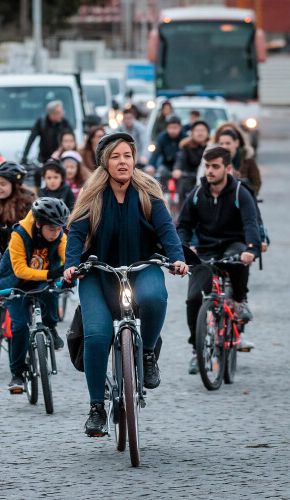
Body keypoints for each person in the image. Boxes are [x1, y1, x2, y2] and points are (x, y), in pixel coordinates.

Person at [62, 133, 187, 437]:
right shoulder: (92, 196)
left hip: (141, 266)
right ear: (105, 162)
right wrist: (71, 265)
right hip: (98, 272)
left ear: (134, 159)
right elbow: (76, 235)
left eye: (127, 155)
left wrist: (177, 259)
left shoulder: (148, 192)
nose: (122, 161)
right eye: (116, 156)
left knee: (155, 297)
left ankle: (147, 354)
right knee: (96, 335)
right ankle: (96, 408)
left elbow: (167, 229)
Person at [176, 146, 261, 374]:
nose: (210, 171)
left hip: (233, 244)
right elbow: (183, 225)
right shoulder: (196, 193)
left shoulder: (239, 192)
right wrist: (185, 247)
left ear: (228, 168)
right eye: (207, 166)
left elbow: (251, 223)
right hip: (205, 248)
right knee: (194, 299)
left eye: (215, 166)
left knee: (240, 258)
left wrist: (251, 249)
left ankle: (240, 301)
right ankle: (197, 349)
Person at [0, 197, 69, 390]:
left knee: (50, 292)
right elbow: (19, 270)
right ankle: (17, 373)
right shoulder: (19, 235)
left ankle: (51, 328)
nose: (56, 234)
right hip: (15, 283)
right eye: (51, 229)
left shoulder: (59, 234)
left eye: (59, 229)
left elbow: (67, 255)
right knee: (19, 326)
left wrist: (72, 273)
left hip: (42, 280)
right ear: (38, 224)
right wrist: (51, 273)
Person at [20, 100, 72, 167]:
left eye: (62, 112)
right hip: (44, 159)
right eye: (58, 113)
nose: (61, 115)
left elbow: (71, 138)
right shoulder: (42, 123)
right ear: (51, 114)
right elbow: (31, 140)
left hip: (61, 158)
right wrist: (24, 156)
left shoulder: (65, 123)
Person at [217, 128, 262, 195]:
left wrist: (250, 195)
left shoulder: (247, 158)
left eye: (228, 143)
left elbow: (256, 181)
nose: (224, 146)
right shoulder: (217, 159)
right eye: (222, 144)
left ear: (236, 143)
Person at [173, 120, 210, 200]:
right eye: (197, 131)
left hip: (206, 176)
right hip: (189, 177)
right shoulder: (186, 146)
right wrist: (177, 169)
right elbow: (181, 158)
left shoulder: (211, 146)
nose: (200, 133)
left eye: (203, 130)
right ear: (192, 133)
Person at [147, 115, 186, 179]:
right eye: (170, 128)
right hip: (166, 166)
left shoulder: (185, 138)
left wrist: (178, 168)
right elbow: (156, 153)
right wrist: (151, 165)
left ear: (180, 127)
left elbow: (184, 155)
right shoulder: (162, 137)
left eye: (175, 128)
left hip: (182, 169)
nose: (172, 131)